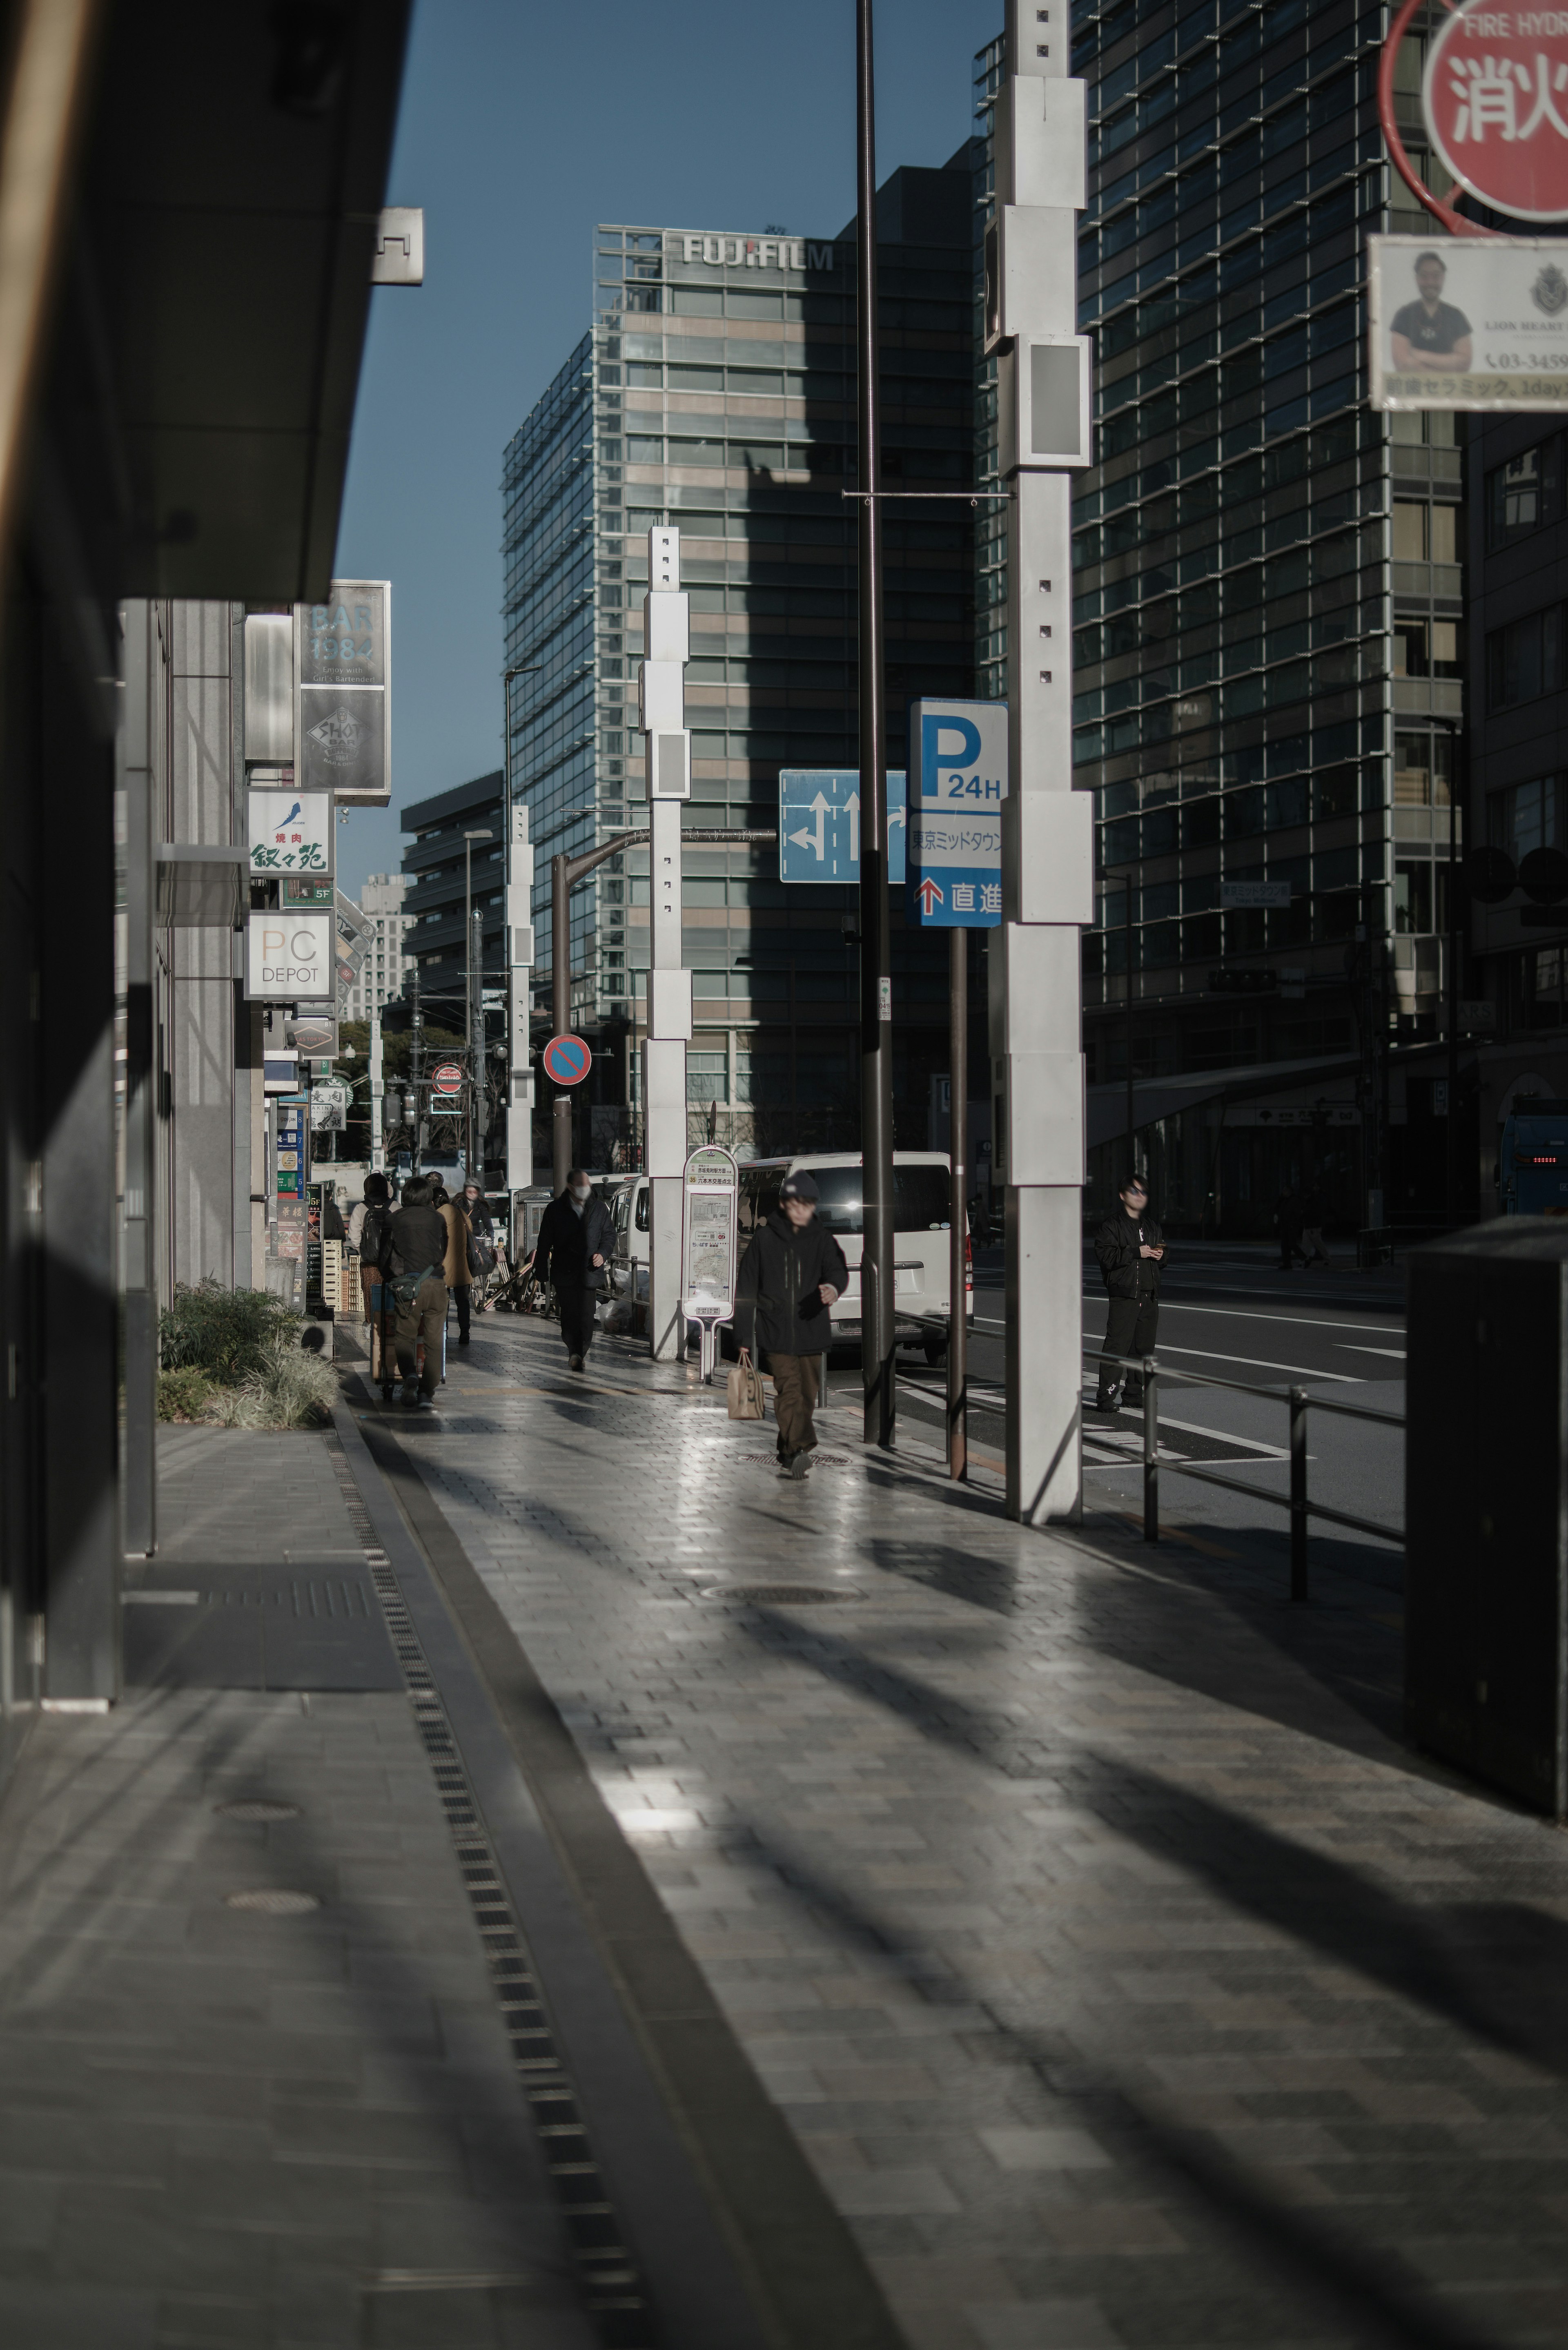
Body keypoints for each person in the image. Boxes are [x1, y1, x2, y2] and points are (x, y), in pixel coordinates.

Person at [734, 1168, 848, 1479]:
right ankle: (799, 1449)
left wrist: (833, 1288)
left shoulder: (822, 1239)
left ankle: (787, 1452)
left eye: (808, 1204)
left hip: (812, 1328)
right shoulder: (764, 1239)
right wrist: (743, 1334)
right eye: (796, 1203)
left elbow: (837, 1271)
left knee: (808, 1396)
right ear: (784, 1204)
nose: (802, 1210)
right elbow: (746, 1289)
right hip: (776, 1330)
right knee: (789, 1392)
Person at [1092, 1175, 1165, 1412]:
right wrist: (1136, 1252)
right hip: (1125, 1294)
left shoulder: (1152, 1225)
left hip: (1149, 1295)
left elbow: (1164, 1254)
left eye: (1144, 1191)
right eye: (1135, 1191)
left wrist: (1161, 1256)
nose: (1140, 1195)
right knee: (1117, 1346)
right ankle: (1106, 1396)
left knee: (1143, 1350)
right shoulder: (1112, 1226)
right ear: (1123, 1195)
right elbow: (1106, 1257)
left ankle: (1134, 1394)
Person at [378, 1174, 447, 1410]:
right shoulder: (438, 1219)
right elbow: (442, 1252)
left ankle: (409, 1375)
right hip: (437, 1284)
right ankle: (427, 1393)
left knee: (405, 1337)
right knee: (435, 1342)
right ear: (429, 1196)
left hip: (409, 1288)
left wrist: (390, 1276)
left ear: (405, 1195)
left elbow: (385, 1255)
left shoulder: (394, 1220)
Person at [534, 1170, 615, 1371]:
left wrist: (603, 1253)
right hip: (565, 1271)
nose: (585, 1187)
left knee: (587, 1316)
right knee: (569, 1316)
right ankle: (573, 1350)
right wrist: (541, 1269)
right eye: (580, 1184)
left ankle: (580, 1352)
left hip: (589, 1271)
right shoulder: (555, 1209)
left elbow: (609, 1235)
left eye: (586, 1183)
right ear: (570, 1186)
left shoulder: (600, 1208)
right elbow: (544, 1241)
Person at [1390, 251, 1472, 376]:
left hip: (1449, 393)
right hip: (1412, 393)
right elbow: (1403, 364)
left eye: (1436, 276)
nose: (1430, 282)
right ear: (1417, 279)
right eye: (1424, 276)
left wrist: (1420, 355)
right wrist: (1445, 366)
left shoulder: (1456, 316)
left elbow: (1464, 364)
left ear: (1443, 278)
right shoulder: (1404, 315)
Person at [353, 1173, 394, 1390]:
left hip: (369, 1264)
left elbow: (353, 1237)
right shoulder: (394, 1205)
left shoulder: (361, 1208)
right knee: (389, 1303)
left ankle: (373, 1342)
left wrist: (364, 1251)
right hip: (390, 1265)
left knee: (371, 1300)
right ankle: (388, 1341)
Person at [436, 1180, 475, 1347]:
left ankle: (443, 1332)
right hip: (461, 1266)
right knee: (463, 1302)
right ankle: (464, 1332)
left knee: (442, 1302)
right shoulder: (460, 1213)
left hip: (442, 1267)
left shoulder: (436, 1216)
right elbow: (471, 1230)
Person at [462, 1179, 498, 1311]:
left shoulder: (480, 1206)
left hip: (476, 1237)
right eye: (469, 1191)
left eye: (474, 1191)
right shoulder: (459, 1204)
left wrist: (491, 1233)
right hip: (464, 1235)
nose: (472, 1193)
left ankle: (479, 1288)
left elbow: (487, 1220)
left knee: (480, 1260)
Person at [1275, 1184, 1308, 1271]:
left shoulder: (1293, 1201)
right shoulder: (1286, 1200)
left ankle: (1304, 1258)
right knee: (1285, 1245)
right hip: (1286, 1225)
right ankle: (1287, 1263)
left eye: (1284, 1191)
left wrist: (1293, 1223)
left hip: (1291, 1225)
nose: (1283, 1193)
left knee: (1291, 1244)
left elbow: (1297, 1214)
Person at [1299, 1185, 1328, 1266]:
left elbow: (1313, 1214)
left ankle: (1305, 1260)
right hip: (1311, 1225)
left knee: (1314, 1244)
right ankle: (1305, 1260)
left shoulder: (1312, 1202)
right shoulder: (1313, 1201)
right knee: (1313, 1244)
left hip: (1312, 1226)